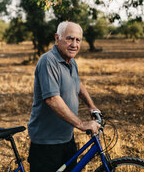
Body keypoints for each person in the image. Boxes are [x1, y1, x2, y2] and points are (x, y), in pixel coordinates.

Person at [27, 21, 101, 172]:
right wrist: (81, 124)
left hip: (67, 138)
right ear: (57, 38)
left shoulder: (71, 61)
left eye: (78, 40)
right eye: (70, 38)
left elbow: (77, 83)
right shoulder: (48, 61)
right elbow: (52, 99)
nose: (74, 44)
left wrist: (91, 106)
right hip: (47, 142)